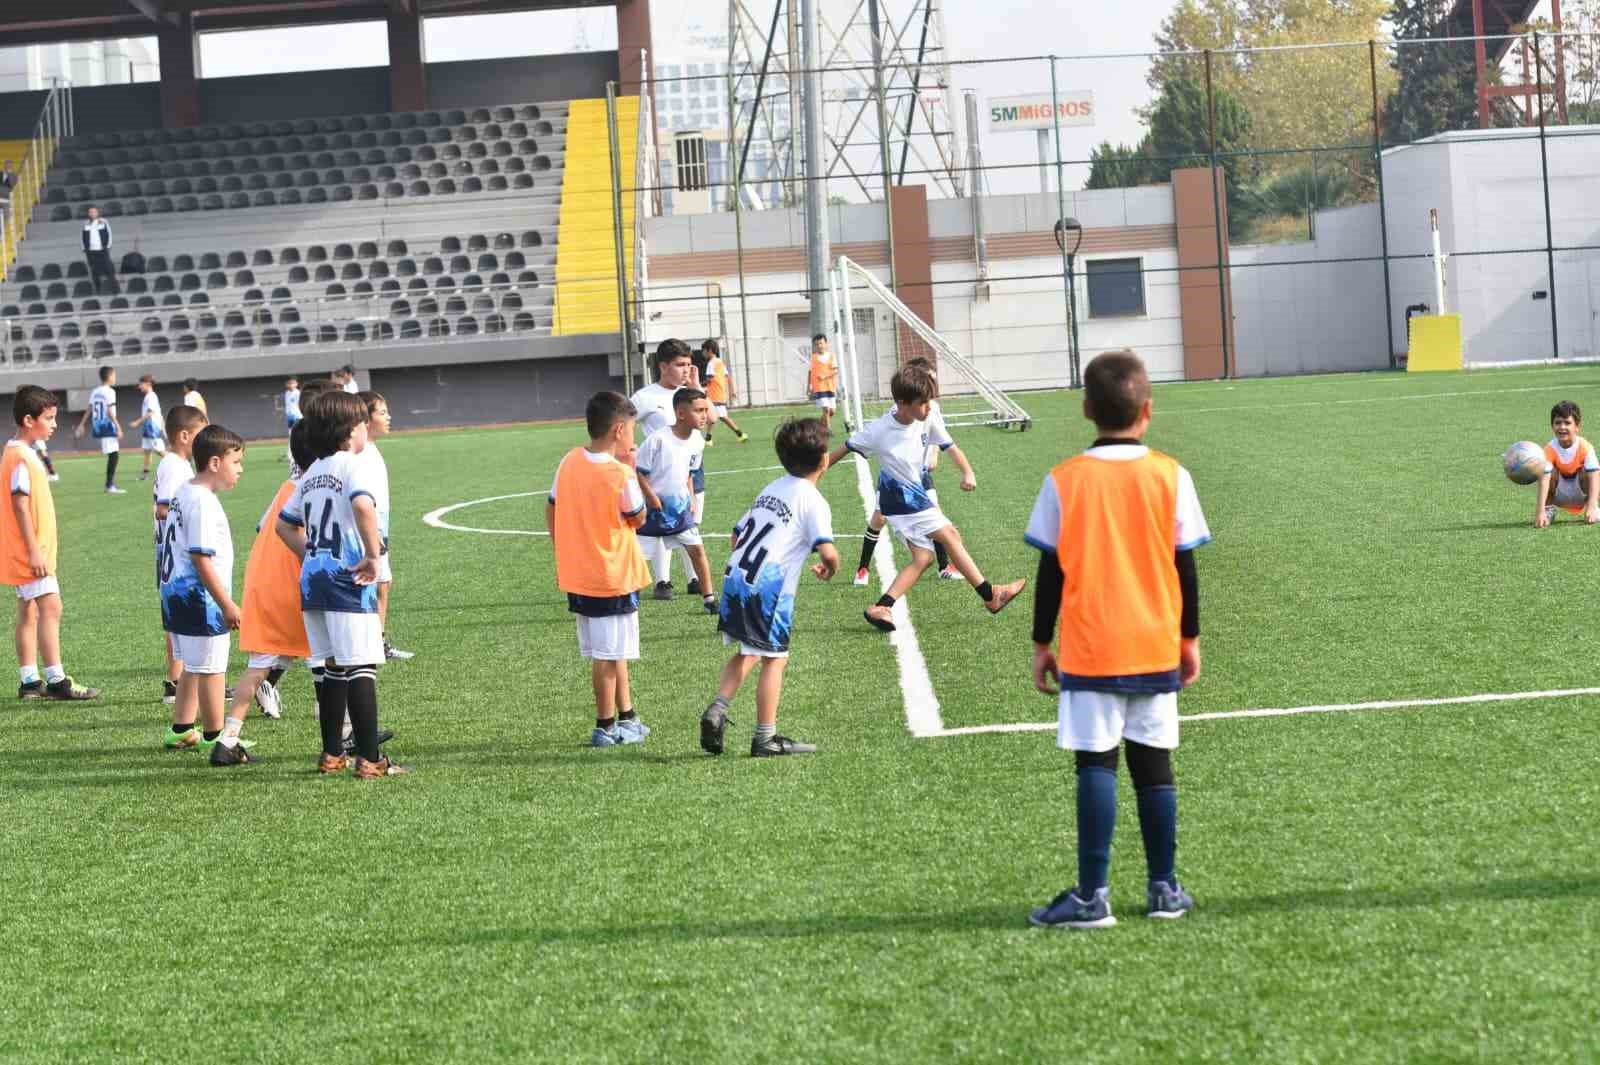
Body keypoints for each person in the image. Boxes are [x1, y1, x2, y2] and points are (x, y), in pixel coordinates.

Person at [1024, 349, 1211, 930]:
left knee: (1096, 767)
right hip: (1154, 643)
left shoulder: (1064, 480)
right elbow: (1186, 568)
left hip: (1091, 645)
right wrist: (1190, 639)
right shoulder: (1171, 475)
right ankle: (1163, 889)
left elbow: (1051, 570)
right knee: (1156, 770)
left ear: (1086, 409)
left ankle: (1091, 897)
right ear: (1147, 410)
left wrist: (1040, 642)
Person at [826, 363, 1024, 632]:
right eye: (923, 403)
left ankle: (882, 607)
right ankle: (991, 596)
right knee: (950, 535)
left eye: (930, 401)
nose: (929, 408)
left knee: (923, 558)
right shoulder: (879, 431)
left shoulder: (927, 418)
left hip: (912, 496)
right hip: (901, 499)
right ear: (902, 403)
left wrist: (968, 472)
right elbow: (844, 449)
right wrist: (811, 476)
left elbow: (950, 446)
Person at [275, 391, 407, 779]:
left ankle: (332, 754)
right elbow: (364, 506)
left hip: (313, 582)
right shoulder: (354, 464)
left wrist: (311, 554)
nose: (367, 429)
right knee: (361, 665)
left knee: (331, 665)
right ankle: (371, 759)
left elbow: (284, 525)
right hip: (347, 580)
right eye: (363, 423)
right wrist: (371, 555)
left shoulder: (312, 471)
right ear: (350, 432)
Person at [700, 418, 839, 757]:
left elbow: (736, 535)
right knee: (775, 659)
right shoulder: (813, 499)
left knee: (748, 650)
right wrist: (830, 567)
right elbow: (828, 551)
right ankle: (765, 737)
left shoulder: (771, 488)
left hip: (736, 579)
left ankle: (718, 707)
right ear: (824, 461)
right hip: (768, 589)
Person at [546, 391, 652, 748]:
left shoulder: (569, 461)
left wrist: (564, 547)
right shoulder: (620, 473)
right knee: (607, 656)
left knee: (612, 650)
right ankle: (605, 725)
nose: (634, 437)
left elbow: (552, 507)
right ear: (619, 430)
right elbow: (638, 517)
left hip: (579, 572)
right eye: (632, 430)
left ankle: (628, 716)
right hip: (611, 575)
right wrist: (633, 472)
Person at [159, 425, 251, 765]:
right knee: (213, 668)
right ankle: (217, 738)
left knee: (194, 666)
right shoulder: (202, 502)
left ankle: (182, 728)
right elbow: (200, 558)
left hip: (175, 596)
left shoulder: (185, 491)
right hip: (199, 600)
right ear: (215, 462)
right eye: (236, 462)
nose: (240, 469)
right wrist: (226, 603)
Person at [1, 386, 100, 701]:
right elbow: (19, 503)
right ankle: (57, 680)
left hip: (25, 551)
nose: (55, 424)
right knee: (50, 605)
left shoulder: (18, 450)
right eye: (49, 418)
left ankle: (30, 681)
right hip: (30, 553)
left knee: (28, 610)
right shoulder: (20, 457)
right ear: (29, 420)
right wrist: (33, 550)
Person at [853, 356, 956, 586]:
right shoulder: (901, 408)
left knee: (937, 518)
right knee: (878, 519)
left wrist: (935, 454)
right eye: (930, 378)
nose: (933, 383)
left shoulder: (932, 408)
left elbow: (938, 437)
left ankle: (944, 566)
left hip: (921, 476)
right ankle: (862, 568)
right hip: (896, 479)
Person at [636, 388, 717, 616]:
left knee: (697, 550)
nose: (704, 416)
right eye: (699, 411)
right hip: (652, 511)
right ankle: (625, 595)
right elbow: (639, 473)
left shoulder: (697, 441)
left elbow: (690, 473)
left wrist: (691, 498)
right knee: (635, 556)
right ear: (681, 414)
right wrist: (651, 498)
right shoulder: (657, 440)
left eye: (705, 410)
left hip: (680, 509)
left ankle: (709, 598)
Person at [629, 339, 695, 598]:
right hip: (657, 473)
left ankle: (694, 579)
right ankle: (663, 582)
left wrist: (697, 388)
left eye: (689, 364)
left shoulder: (690, 394)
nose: (686, 370)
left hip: (690, 467)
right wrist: (632, 449)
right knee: (662, 524)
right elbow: (624, 422)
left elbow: (710, 418)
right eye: (680, 365)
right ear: (663, 366)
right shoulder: (646, 397)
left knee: (691, 521)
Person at [153, 404, 208, 711]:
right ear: (184, 436)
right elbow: (164, 508)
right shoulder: (174, 465)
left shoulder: (177, 463)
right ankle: (180, 681)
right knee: (183, 619)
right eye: (200, 433)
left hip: (170, 554)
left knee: (177, 620)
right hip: (174, 556)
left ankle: (177, 680)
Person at [357, 390, 412, 660]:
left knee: (383, 584)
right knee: (376, 584)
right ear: (365, 420)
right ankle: (371, 644)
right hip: (372, 529)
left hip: (379, 526)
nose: (388, 417)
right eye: (381, 412)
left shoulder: (370, 449)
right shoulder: (361, 453)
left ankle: (376, 641)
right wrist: (375, 531)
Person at [1534, 400, 1600, 527]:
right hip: (1559, 496)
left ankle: (1593, 508)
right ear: (1552, 426)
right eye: (1558, 423)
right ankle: (1548, 510)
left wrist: (1591, 506)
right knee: (1546, 471)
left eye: (1567, 423)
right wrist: (1539, 511)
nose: (1562, 427)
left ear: (1577, 426)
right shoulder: (1549, 449)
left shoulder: (1585, 447)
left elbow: (1595, 476)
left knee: (1590, 471)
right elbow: (1544, 480)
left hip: (1582, 495)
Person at [74, 365, 124, 493]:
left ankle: (110, 484)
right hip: (107, 426)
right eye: (114, 375)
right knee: (114, 455)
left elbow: (90, 408)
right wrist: (118, 426)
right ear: (109, 376)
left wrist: (82, 424)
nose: (115, 377)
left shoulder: (95, 391)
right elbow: (109, 410)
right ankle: (109, 486)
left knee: (113, 454)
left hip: (97, 426)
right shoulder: (110, 392)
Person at [700, 338, 749, 446]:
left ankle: (708, 439)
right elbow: (728, 377)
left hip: (714, 395)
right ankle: (740, 435)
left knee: (714, 417)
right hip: (720, 394)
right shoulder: (720, 362)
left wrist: (699, 385)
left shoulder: (711, 363)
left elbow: (709, 379)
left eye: (703, 350)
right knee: (720, 417)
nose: (702, 353)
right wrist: (733, 390)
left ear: (709, 350)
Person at [126, 374, 166, 479]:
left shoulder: (151, 396)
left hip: (152, 427)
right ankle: (145, 474)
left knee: (159, 450)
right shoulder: (148, 396)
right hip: (147, 427)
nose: (139, 387)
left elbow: (150, 413)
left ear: (148, 384)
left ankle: (179, 466)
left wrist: (137, 422)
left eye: (141, 384)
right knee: (147, 451)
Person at [81, 206, 119, 296]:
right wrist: (84, 248)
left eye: (94, 212)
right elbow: (82, 237)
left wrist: (107, 246)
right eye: (90, 212)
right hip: (91, 251)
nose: (92, 213)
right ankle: (98, 290)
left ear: (97, 213)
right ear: (88, 214)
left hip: (102, 250)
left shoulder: (103, 222)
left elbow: (109, 234)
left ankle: (115, 290)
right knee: (94, 272)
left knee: (109, 270)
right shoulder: (86, 223)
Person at [808, 333, 839, 430]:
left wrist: (825, 376)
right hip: (819, 388)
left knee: (832, 411)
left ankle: (817, 425)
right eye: (817, 344)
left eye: (821, 343)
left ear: (826, 344)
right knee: (826, 409)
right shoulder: (813, 357)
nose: (819, 346)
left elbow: (835, 371)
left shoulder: (831, 356)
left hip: (830, 386)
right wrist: (809, 386)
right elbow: (810, 372)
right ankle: (828, 430)